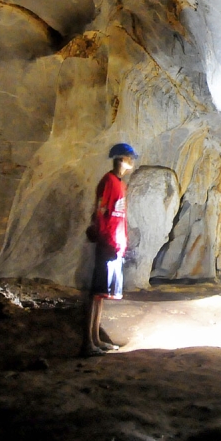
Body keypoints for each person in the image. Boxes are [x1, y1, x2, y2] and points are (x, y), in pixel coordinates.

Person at [80, 142, 135, 357]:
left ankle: (96, 338)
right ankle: (87, 342)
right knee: (96, 293)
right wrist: (108, 241)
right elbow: (101, 213)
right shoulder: (109, 181)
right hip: (108, 244)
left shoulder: (120, 183)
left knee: (103, 294)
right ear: (121, 159)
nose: (132, 161)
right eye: (130, 158)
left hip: (115, 244)